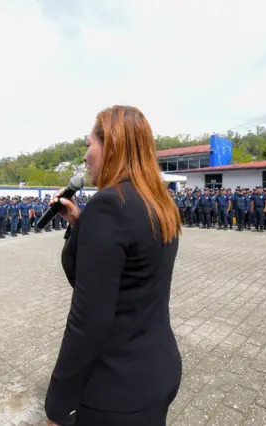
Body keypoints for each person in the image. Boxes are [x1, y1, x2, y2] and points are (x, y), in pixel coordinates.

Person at [45, 105, 182, 426]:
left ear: (112, 147)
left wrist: (58, 402)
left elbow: (87, 320)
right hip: (156, 365)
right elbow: (130, 270)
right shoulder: (158, 202)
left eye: (89, 144)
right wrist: (81, 224)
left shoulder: (108, 205)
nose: (84, 156)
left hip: (118, 385)